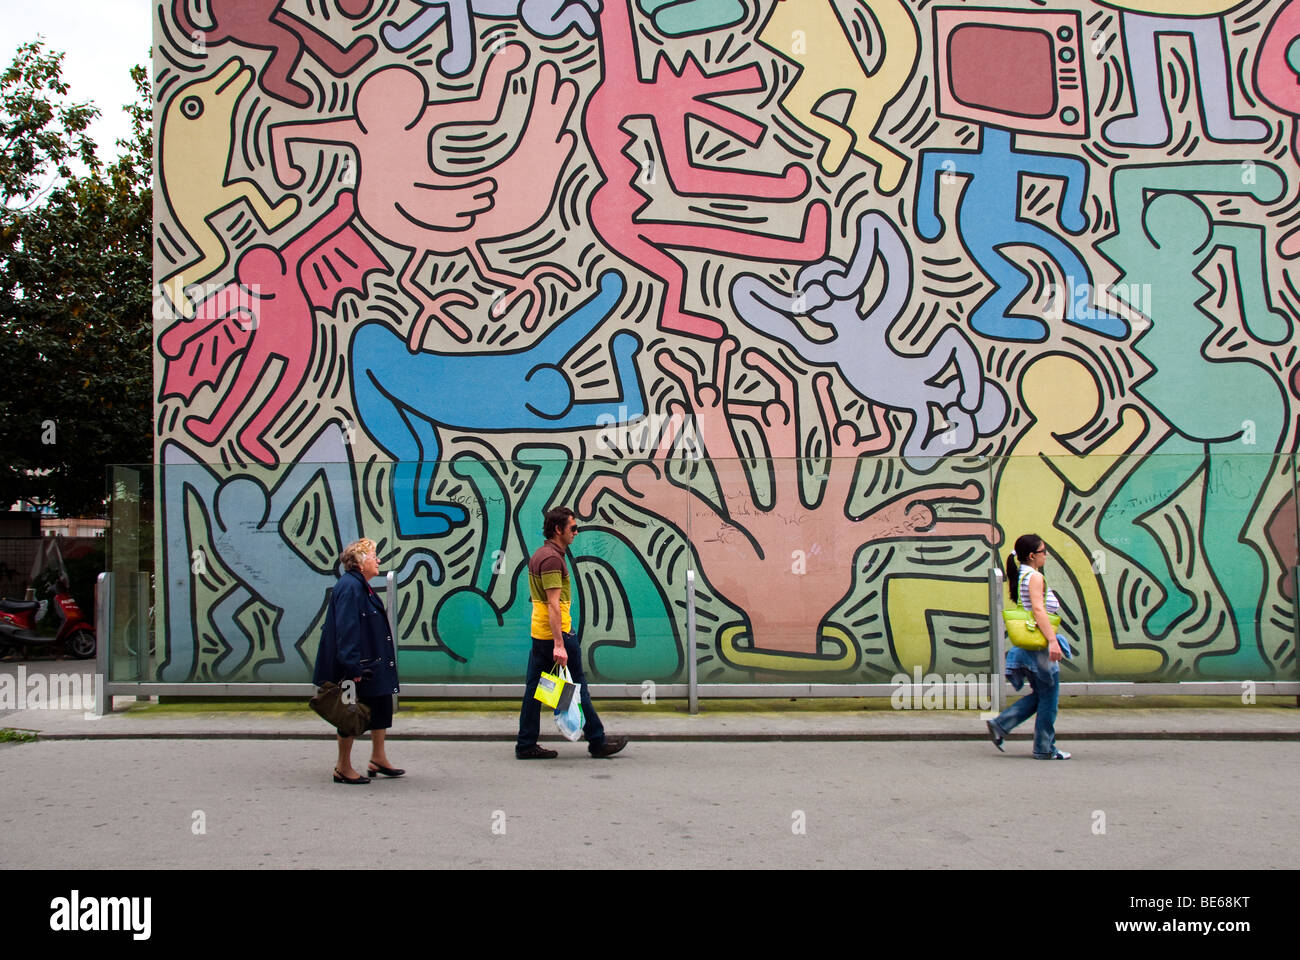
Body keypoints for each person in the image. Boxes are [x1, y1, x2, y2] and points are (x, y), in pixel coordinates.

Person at [515, 506, 628, 759]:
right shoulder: (553, 559)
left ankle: (525, 743)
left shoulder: (541, 554)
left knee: (535, 688)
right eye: (573, 528)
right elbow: (553, 604)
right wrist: (559, 643)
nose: (576, 532)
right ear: (558, 529)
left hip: (540, 632)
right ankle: (597, 740)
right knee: (578, 686)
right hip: (557, 634)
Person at [313, 537, 403, 784]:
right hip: (357, 666)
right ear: (361, 563)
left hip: (371, 662)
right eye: (374, 556)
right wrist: (352, 667)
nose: (379, 560)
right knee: (348, 715)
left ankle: (378, 758)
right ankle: (342, 767)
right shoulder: (351, 587)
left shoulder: (362, 585)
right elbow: (346, 629)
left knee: (381, 706)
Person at [986, 533, 1072, 760]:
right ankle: (1044, 748)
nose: (1046, 555)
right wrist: (1052, 641)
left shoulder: (1023, 574)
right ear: (1033, 555)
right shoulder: (1034, 577)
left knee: (1044, 694)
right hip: (1040, 646)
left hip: (1032, 645)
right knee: (1049, 698)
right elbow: (1038, 610)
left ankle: (1001, 724)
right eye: (1044, 551)